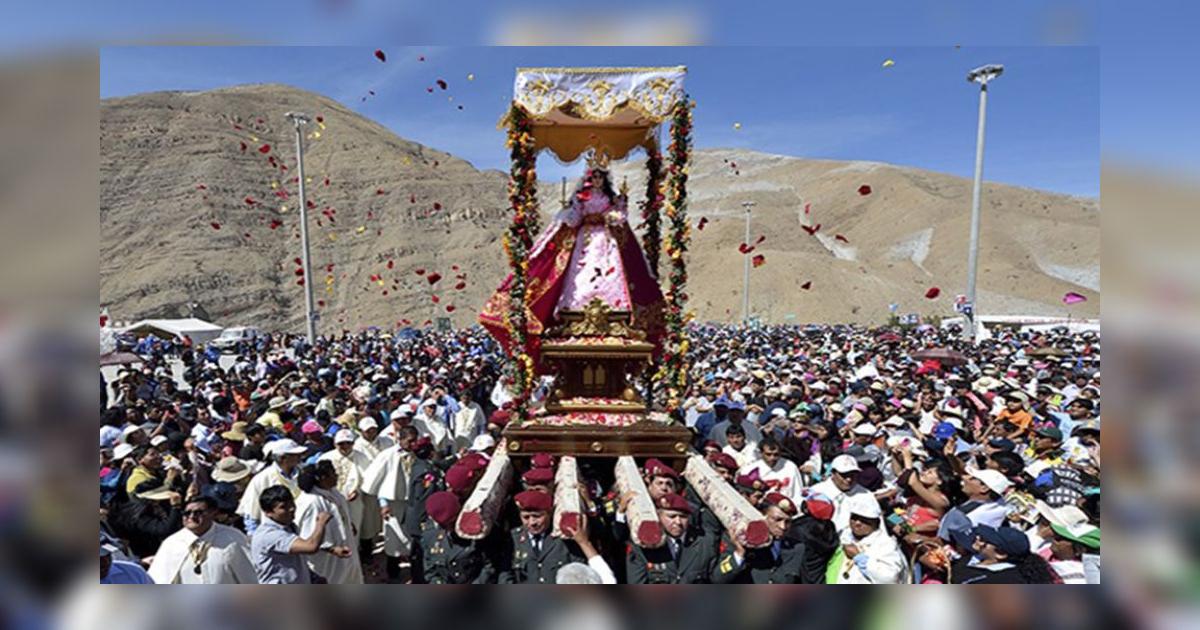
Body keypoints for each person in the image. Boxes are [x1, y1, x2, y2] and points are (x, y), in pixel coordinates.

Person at [479, 160, 666, 369]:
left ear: (604, 180)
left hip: (604, 240)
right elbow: (575, 219)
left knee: (608, 272)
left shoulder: (611, 198)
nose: (596, 180)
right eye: (594, 177)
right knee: (580, 274)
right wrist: (569, 214)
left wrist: (615, 213)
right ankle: (576, 309)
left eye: (600, 177)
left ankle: (613, 309)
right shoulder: (581, 198)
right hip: (584, 239)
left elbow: (619, 216)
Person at [250, 485, 351, 584]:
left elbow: (297, 558)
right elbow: (310, 546)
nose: (291, 509)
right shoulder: (269, 535)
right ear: (268, 512)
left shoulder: (288, 526)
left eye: (291, 504)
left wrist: (312, 576)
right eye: (283, 507)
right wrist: (320, 523)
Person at [148, 496, 257, 584]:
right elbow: (159, 580)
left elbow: (249, 577)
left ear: (213, 513)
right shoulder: (172, 543)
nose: (191, 517)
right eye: (187, 513)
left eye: (198, 512)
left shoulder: (232, 537)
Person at [626, 493, 725, 584]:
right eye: (672, 516)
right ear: (659, 516)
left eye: (683, 517)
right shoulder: (645, 544)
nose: (678, 522)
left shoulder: (705, 542)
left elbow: (714, 579)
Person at [361, 425, 418, 581]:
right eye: (409, 441)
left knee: (413, 538)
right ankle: (393, 573)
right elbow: (377, 481)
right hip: (393, 504)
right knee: (393, 540)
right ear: (400, 439)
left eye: (415, 441)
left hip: (413, 503)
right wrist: (383, 503)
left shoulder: (418, 454)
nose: (413, 445)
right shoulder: (387, 455)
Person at [296, 462, 363, 583]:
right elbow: (308, 536)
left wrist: (349, 524)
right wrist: (332, 549)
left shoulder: (333, 492)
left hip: (344, 551)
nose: (336, 476)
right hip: (326, 559)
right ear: (322, 478)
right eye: (333, 474)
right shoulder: (311, 502)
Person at [714, 493, 803, 583]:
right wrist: (739, 554)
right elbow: (718, 578)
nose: (783, 527)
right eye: (777, 519)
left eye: (788, 522)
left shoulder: (796, 548)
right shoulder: (740, 540)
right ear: (762, 515)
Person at [498, 490, 583, 584]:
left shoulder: (563, 538)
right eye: (526, 517)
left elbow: (579, 572)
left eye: (537, 516)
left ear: (549, 513)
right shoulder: (514, 539)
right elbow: (505, 576)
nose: (532, 523)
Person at [419, 491, 493, 584]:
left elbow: (489, 566)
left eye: (452, 523)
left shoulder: (476, 531)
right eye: (445, 526)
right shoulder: (430, 535)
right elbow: (430, 570)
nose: (450, 528)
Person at [830, 494, 907, 584]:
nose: (857, 523)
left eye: (864, 520)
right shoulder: (843, 536)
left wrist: (859, 557)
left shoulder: (885, 544)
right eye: (854, 518)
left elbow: (889, 578)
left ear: (876, 523)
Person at [237, 438, 306, 533]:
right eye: (295, 455)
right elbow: (251, 513)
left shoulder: (303, 473)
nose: (299, 457)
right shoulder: (262, 478)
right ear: (282, 458)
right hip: (276, 532)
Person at [949, 525, 1058, 584]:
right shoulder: (974, 558)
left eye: (983, 540)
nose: (977, 539)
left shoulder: (1006, 582)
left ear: (1000, 554)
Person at [808, 455, 872, 532]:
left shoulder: (865, 494)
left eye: (853, 474)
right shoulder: (816, 492)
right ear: (833, 473)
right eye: (844, 475)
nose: (849, 479)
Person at [740, 436, 805, 505]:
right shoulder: (749, 470)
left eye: (776, 455)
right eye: (768, 454)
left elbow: (798, 492)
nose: (772, 458)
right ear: (761, 453)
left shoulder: (790, 467)